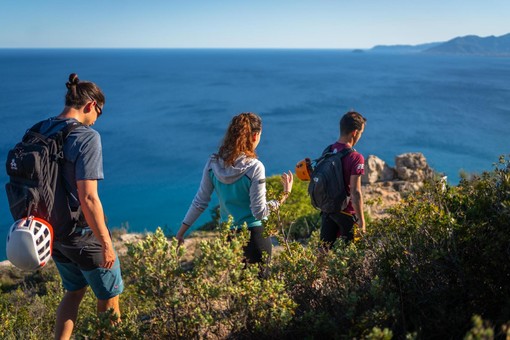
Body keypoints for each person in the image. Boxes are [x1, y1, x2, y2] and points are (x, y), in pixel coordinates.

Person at [36, 74, 123, 339]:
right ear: (90, 105)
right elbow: (89, 198)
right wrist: (106, 242)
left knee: (73, 293)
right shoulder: (86, 137)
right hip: (82, 234)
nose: (98, 119)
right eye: (99, 112)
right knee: (110, 297)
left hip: (53, 234)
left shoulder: (40, 129)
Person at [176, 112, 293, 269]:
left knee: (234, 290)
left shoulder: (213, 163)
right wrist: (283, 197)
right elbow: (259, 212)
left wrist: (181, 232)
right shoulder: (255, 167)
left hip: (228, 240)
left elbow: (200, 202)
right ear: (255, 135)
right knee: (259, 291)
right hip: (255, 238)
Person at [320, 111, 367, 249]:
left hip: (329, 210)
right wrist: (362, 222)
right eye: (361, 133)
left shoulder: (328, 150)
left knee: (323, 251)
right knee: (349, 255)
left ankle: (316, 272)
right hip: (347, 214)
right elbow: (355, 192)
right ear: (355, 132)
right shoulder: (356, 157)